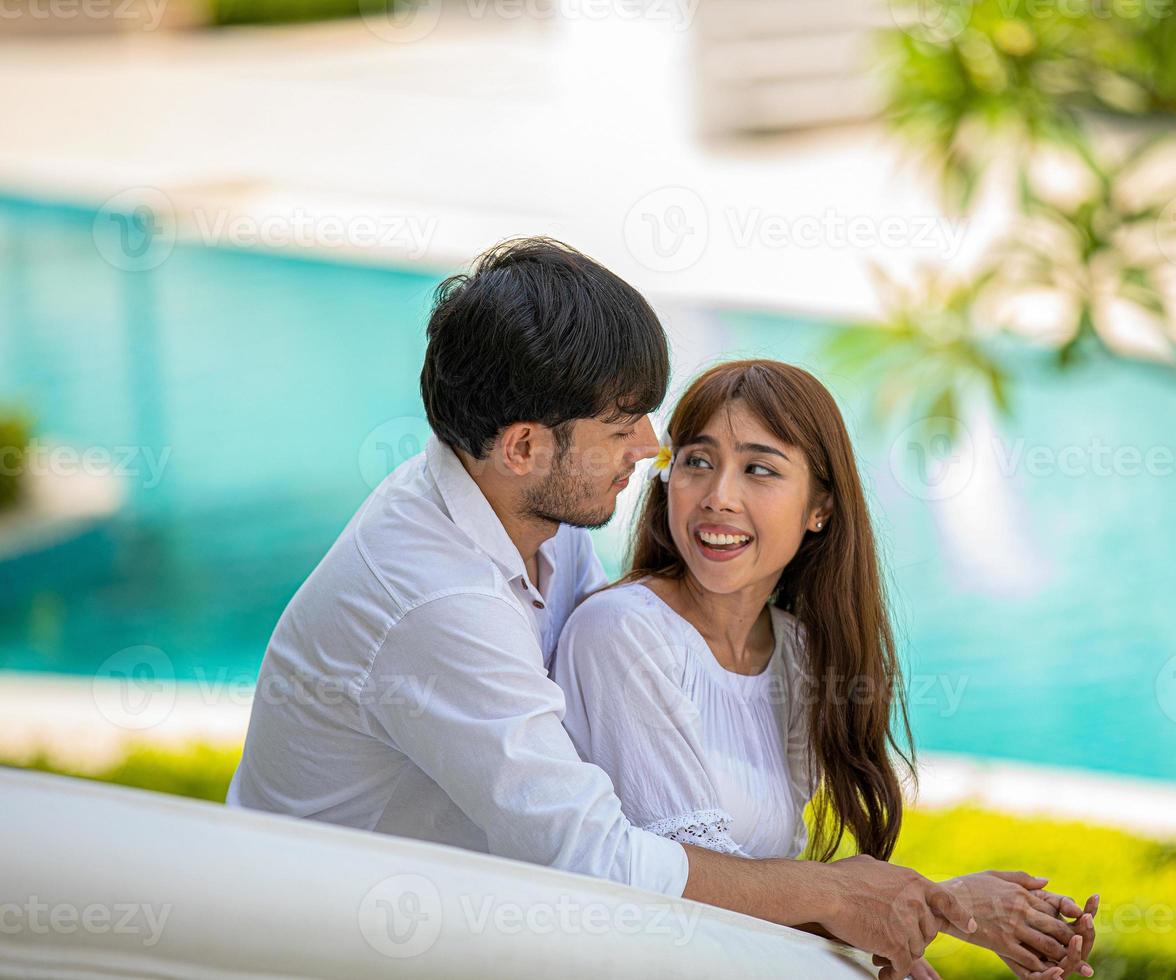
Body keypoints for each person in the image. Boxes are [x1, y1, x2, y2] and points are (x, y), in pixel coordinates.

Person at [228, 237, 1090, 980]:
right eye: (624, 425)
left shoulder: (536, 518)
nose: (652, 449)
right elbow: (595, 855)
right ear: (525, 446)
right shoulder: (435, 598)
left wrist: (922, 906)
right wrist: (848, 894)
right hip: (323, 947)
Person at [554, 359, 1099, 980]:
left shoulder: (801, 655)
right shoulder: (624, 633)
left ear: (820, 508)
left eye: (759, 469)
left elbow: (770, 894)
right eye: (696, 461)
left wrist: (911, 929)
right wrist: (948, 909)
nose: (718, 496)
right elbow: (691, 880)